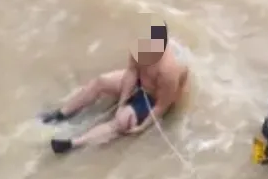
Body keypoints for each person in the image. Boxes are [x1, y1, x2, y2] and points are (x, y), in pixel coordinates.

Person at [39, 22, 190, 154]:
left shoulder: (168, 72)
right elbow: (131, 73)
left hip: (154, 98)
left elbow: (161, 106)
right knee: (101, 81)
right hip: (140, 83)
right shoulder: (140, 49)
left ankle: (74, 143)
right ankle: (60, 114)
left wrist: (142, 127)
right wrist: (122, 102)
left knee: (121, 121)